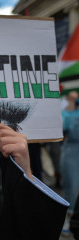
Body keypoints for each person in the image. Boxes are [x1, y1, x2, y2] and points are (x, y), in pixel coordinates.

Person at [60, 90, 79, 235]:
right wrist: (71, 104)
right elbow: (64, 126)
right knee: (71, 187)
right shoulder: (71, 113)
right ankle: (67, 218)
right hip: (73, 151)